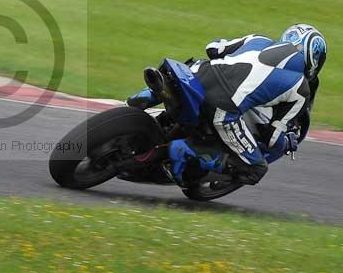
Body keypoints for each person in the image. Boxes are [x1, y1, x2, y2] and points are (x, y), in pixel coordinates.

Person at [127, 24, 326, 186]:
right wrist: (287, 143)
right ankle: (184, 150)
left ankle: (143, 98)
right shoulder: (301, 88)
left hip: (197, 74)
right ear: (315, 61)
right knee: (256, 169)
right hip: (222, 108)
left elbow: (213, 48)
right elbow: (272, 137)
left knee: (185, 74)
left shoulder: (258, 39)